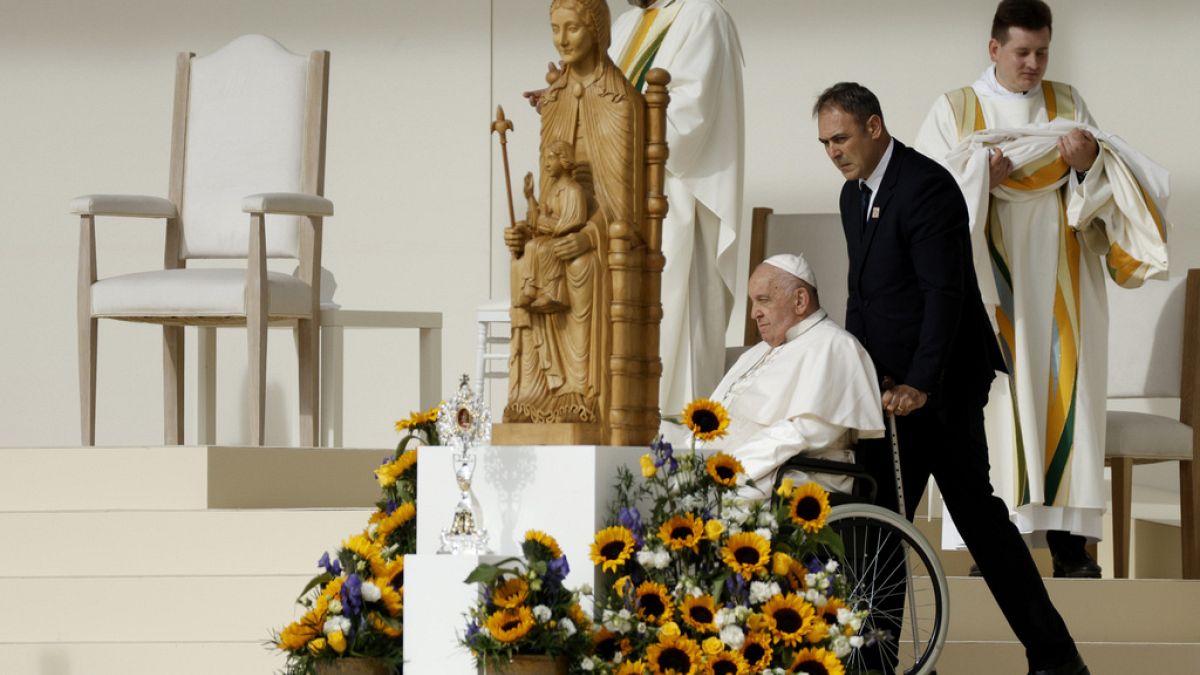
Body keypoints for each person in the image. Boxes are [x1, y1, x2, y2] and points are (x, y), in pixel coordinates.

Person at [815, 81, 1089, 675]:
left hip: (942, 387)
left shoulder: (926, 186)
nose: (834, 152)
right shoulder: (852, 194)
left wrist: (920, 383)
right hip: (892, 392)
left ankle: (1056, 658)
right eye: (825, 143)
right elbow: (861, 296)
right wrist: (861, 377)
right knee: (882, 519)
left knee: (978, 524)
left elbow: (945, 294)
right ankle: (876, 659)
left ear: (874, 126)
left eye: (841, 138)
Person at [914, 0, 1169, 577]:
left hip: (1063, 275)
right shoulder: (956, 108)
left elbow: (1105, 178)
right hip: (987, 278)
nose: (1033, 64)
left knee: (1066, 398)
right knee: (1000, 406)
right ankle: (996, 546)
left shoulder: (1068, 102)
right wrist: (981, 177)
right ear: (994, 49)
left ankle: (1068, 549)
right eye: (1023, 52)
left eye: (1042, 51)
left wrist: (1085, 164)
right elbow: (929, 194)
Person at [703, 254, 884, 494]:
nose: (754, 313)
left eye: (763, 300)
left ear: (799, 300)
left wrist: (731, 467)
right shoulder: (756, 353)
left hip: (790, 472)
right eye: (752, 302)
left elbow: (803, 434)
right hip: (739, 463)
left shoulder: (836, 347)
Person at [514, 141, 589, 313]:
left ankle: (553, 294)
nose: (547, 164)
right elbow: (537, 220)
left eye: (551, 158)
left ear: (564, 160)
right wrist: (530, 197)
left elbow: (575, 220)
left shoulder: (573, 190)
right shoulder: (553, 190)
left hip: (563, 237)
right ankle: (530, 289)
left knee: (546, 249)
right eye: (545, 159)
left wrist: (548, 223)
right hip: (551, 234)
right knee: (531, 245)